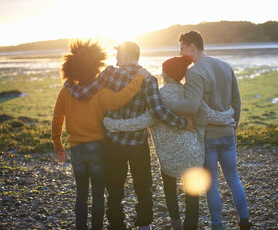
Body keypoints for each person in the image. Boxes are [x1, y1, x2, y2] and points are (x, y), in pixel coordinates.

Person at [64, 41, 193, 230]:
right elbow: (158, 111)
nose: (115, 59)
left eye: (118, 56)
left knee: (114, 187)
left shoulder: (109, 74)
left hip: (113, 142)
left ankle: (116, 224)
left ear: (126, 55)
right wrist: (183, 123)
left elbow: (85, 94)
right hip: (138, 143)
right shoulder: (148, 79)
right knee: (143, 186)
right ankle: (144, 224)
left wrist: (69, 85)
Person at [103, 55, 236, 230]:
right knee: (192, 191)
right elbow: (210, 115)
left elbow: (143, 121)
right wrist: (230, 114)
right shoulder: (191, 95)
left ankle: (175, 222)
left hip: (168, 157)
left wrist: (112, 124)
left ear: (164, 73)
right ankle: (190, 225)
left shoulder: (159, 96)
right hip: (193, 153)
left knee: (169, 186)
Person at [51, 39, 150, 230]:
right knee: (98, 194)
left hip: (76, 148)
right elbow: (120, 99)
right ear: (95, 66)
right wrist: (138, 79)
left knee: (81, 194)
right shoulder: (100, 92)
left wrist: (58, 144)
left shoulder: (66, 91)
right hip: (97, 147)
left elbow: (57, 119)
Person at [165, 31, 251, 230]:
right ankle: (245, 221)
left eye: (181, 48)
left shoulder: (194, 72)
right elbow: (236, 102)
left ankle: (217, 225)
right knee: (234, 178)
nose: (180, 53)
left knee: (212, 184)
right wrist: (234, 128)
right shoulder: (225, 66)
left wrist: (166, 102)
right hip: (228, 133)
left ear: (192, 47)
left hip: (209, 136)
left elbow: (191, 106)